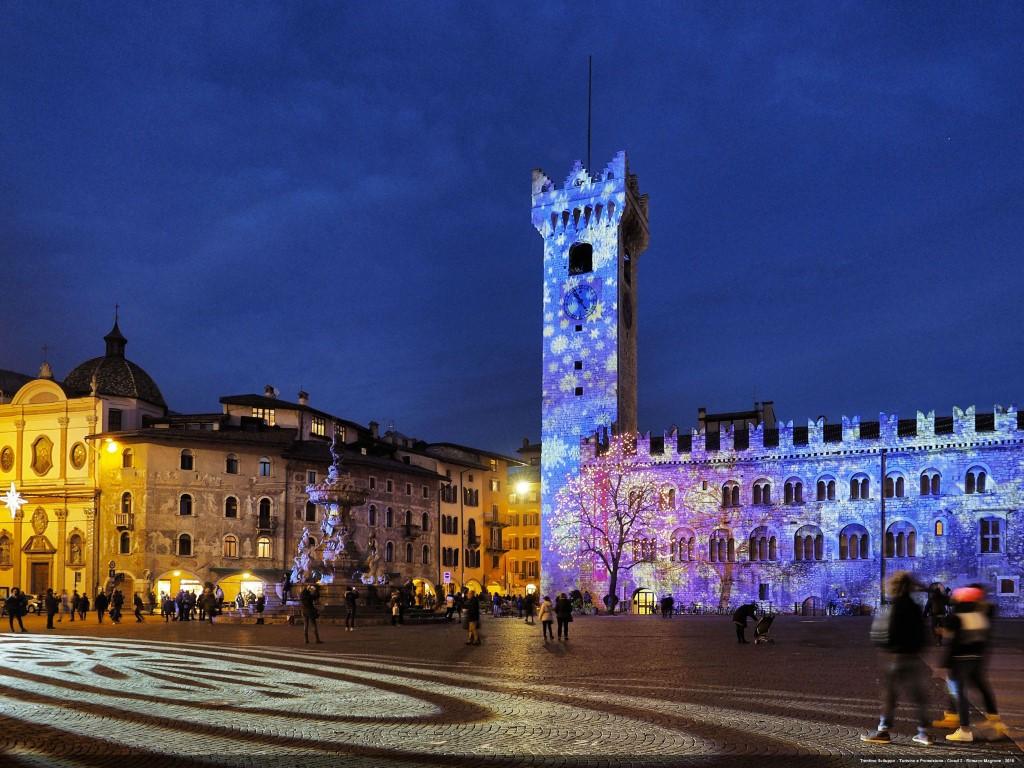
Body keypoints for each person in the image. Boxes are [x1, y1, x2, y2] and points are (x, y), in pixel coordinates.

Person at [861, 571, 932, 746]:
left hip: (894, 657)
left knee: (889, 695)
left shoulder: (891, 607)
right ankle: (923, 733)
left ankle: (883, 731)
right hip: (913, 657)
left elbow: (881, 634)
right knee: (918, 695)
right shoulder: (915, 607)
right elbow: (923, 635)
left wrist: (886, 647)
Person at [935, 585, 1009, 743]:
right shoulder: (980, 616)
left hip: (959, 661)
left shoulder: (957, 617)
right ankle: (996, 722)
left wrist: (942, 631)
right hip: (976, 659)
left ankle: (965, 730)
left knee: (959, 694)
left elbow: (948, 635)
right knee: (982, 688)